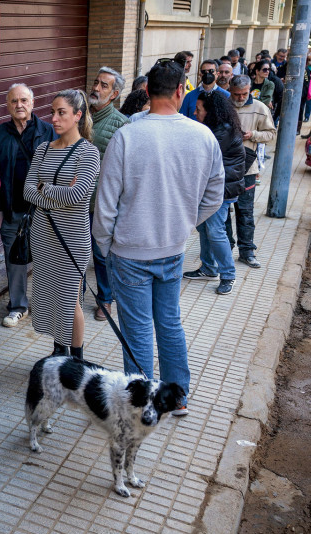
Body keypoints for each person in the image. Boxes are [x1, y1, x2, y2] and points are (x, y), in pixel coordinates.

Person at [93, 59, 224, 417]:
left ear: (146, 91)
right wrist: (185, 223)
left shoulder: (127, 136)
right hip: (173, 248)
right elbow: (215, 194)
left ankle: (142, 403)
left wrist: (103, 246)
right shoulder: (202, 136)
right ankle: (177, 398)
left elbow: (105, 202)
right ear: (182, 90)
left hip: (129, 250)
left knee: (137, 332)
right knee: (169, 323)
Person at [24, 89, 101, 358]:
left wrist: (44, 189)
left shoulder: (89, 153)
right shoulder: (43, 149)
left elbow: (79, 195)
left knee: (70, 300)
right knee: (48, 294)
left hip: (72, 238)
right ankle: (59, 352)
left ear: (78, 116)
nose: (54, 119)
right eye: (53, 112)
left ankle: (76, 360)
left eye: (61, 113)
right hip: (43, 235)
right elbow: (27, 191)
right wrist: (55, 191)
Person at [0, 83, 56, 328]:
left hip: (41, 209)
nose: (19, 105)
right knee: (14, 260)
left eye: (24, 100)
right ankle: (18, 306)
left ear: (32, 103)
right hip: (11, 208)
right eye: (14, 101)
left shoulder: (48, 131)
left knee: (45, 257)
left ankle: (47, 304)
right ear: (7, 105)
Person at [183, 90, 246, 295]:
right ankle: (209, 268)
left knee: (215, 230)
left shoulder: (222, 131)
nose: (194, 113)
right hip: (215, 188)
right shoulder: (215, 127)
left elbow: (201, 159)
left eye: (198, 109)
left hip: (223, 190)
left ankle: (228, 274)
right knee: (205, 228)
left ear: (211, 112)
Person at [87, 67, 129, 321]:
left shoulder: (121, 125)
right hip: (73, 201)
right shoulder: (80, 116)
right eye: (96, 82)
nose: (96, 88)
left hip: (100, 204)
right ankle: (74, 299)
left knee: (101, 255)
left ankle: (105, 300)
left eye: (104, 86)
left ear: (114, 94)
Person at [227, 75, 276, 268]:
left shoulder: (260, 108)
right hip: (224, 167)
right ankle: (225, 248)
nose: (240, 98)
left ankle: (247, 251)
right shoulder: (223, 105)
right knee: (222, 213)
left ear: (250, 91)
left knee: (245, 211)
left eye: (244, 94)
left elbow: (271, 134)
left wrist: (252, 135)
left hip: (247, 168)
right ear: (230, 90)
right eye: (236, 94)